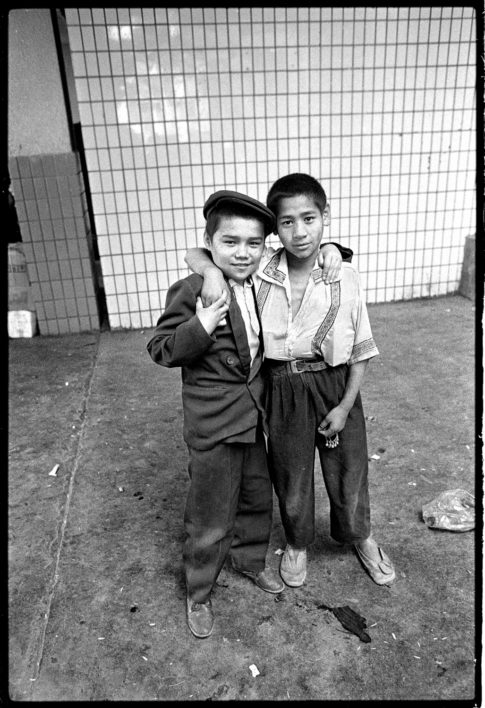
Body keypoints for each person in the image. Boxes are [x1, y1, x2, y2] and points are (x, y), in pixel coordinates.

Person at [185, 173, 396, 589]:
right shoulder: (260, 268)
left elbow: (360, 349)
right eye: (286, 222)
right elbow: (196, 251)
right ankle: (298, 544)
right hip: (282, 387)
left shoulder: (344, 274)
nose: (300, 232)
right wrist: (210, 273)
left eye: (309, 219)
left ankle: (361, 537)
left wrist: (344, 404)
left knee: (349, 471)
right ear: (274, 230)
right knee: (291, 475)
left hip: (335, 385)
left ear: (325, 217)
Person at [146, 190, 285, 640]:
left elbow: (305, 252)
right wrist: (202, 324)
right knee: (210, 514)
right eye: (230, 242)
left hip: (254, 417)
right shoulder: (192, 290)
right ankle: (199, 589)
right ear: (210, 242)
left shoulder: (263, 282)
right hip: (212, 424)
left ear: (265, 247)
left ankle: (249, 561)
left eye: (253, 243)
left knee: (255, 498)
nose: (242, 253)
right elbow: (162, 349)